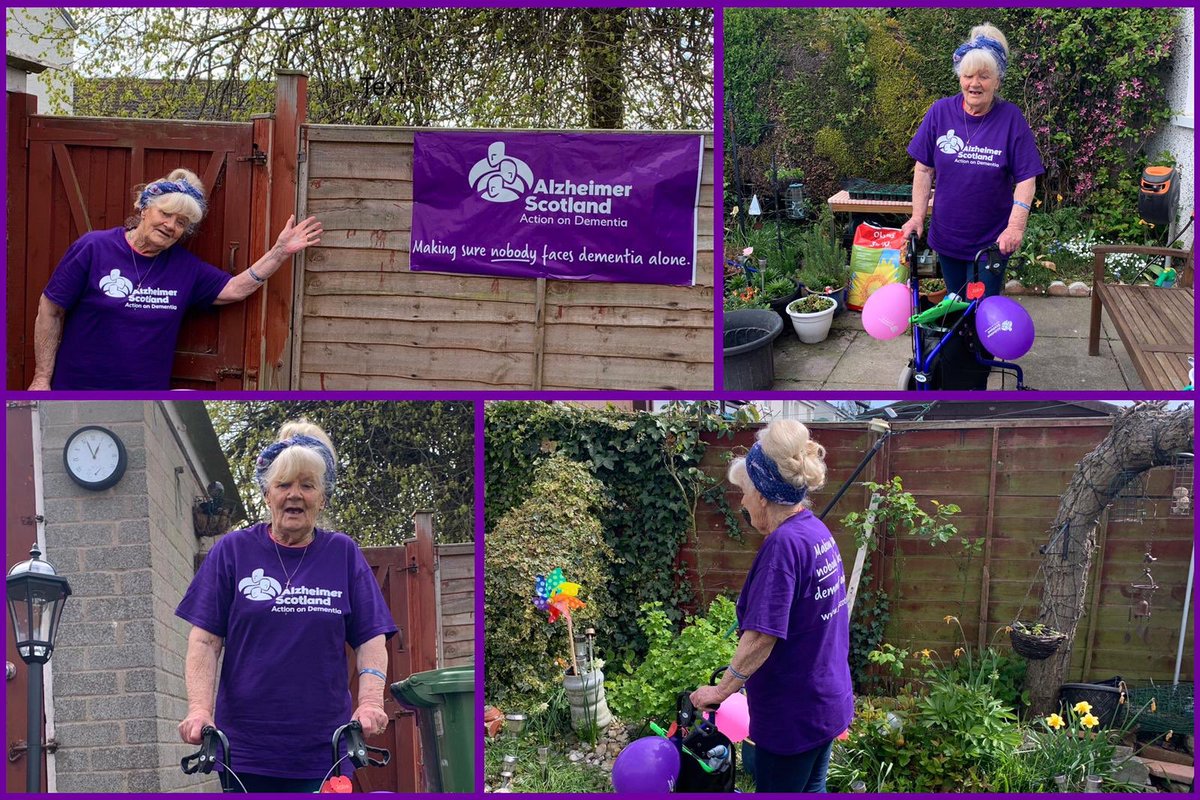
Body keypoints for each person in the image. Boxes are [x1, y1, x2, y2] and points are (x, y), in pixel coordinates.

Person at [176, 421, 398, 793]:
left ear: (322, 497)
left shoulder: (342, 553)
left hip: (325, 747)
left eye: (307, 486)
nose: (294, 495)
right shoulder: (231, 552)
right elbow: (205, 642)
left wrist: (371, 702)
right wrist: (200, 710)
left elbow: (371, 638)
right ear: (267, 494)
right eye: (284, 485)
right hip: (244, 748)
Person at [28, 168, 323, 390]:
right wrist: (41, 378)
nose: (170, 225)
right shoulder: (93, 248)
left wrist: (280, 251)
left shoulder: (185, 268)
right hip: (76, 389)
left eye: (182, 222)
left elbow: (234, 289)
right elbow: (50, 310)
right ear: (144, 208)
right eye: (166, 214)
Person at [690, 420, 852, 793]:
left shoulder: (782, 547)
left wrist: (721, 690)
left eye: (744, 492)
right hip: (824, 702)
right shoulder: (816, 532)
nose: (742, 501)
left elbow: (762, 634)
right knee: (812, 789)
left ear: (762, 494)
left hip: (793, 715)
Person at [900, 24, 1044, 298]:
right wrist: (917, 217)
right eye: (968, 75)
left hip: (991, 242)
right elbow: (923, 169)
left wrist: (1015, 227)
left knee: (984, 312)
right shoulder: (940, 112)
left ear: (998, 80)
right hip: (947, 237)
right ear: (959, 77)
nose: (974, 84)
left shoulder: (1011, 119)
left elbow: (1027, 178)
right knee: (954, 306)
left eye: (984, 76)